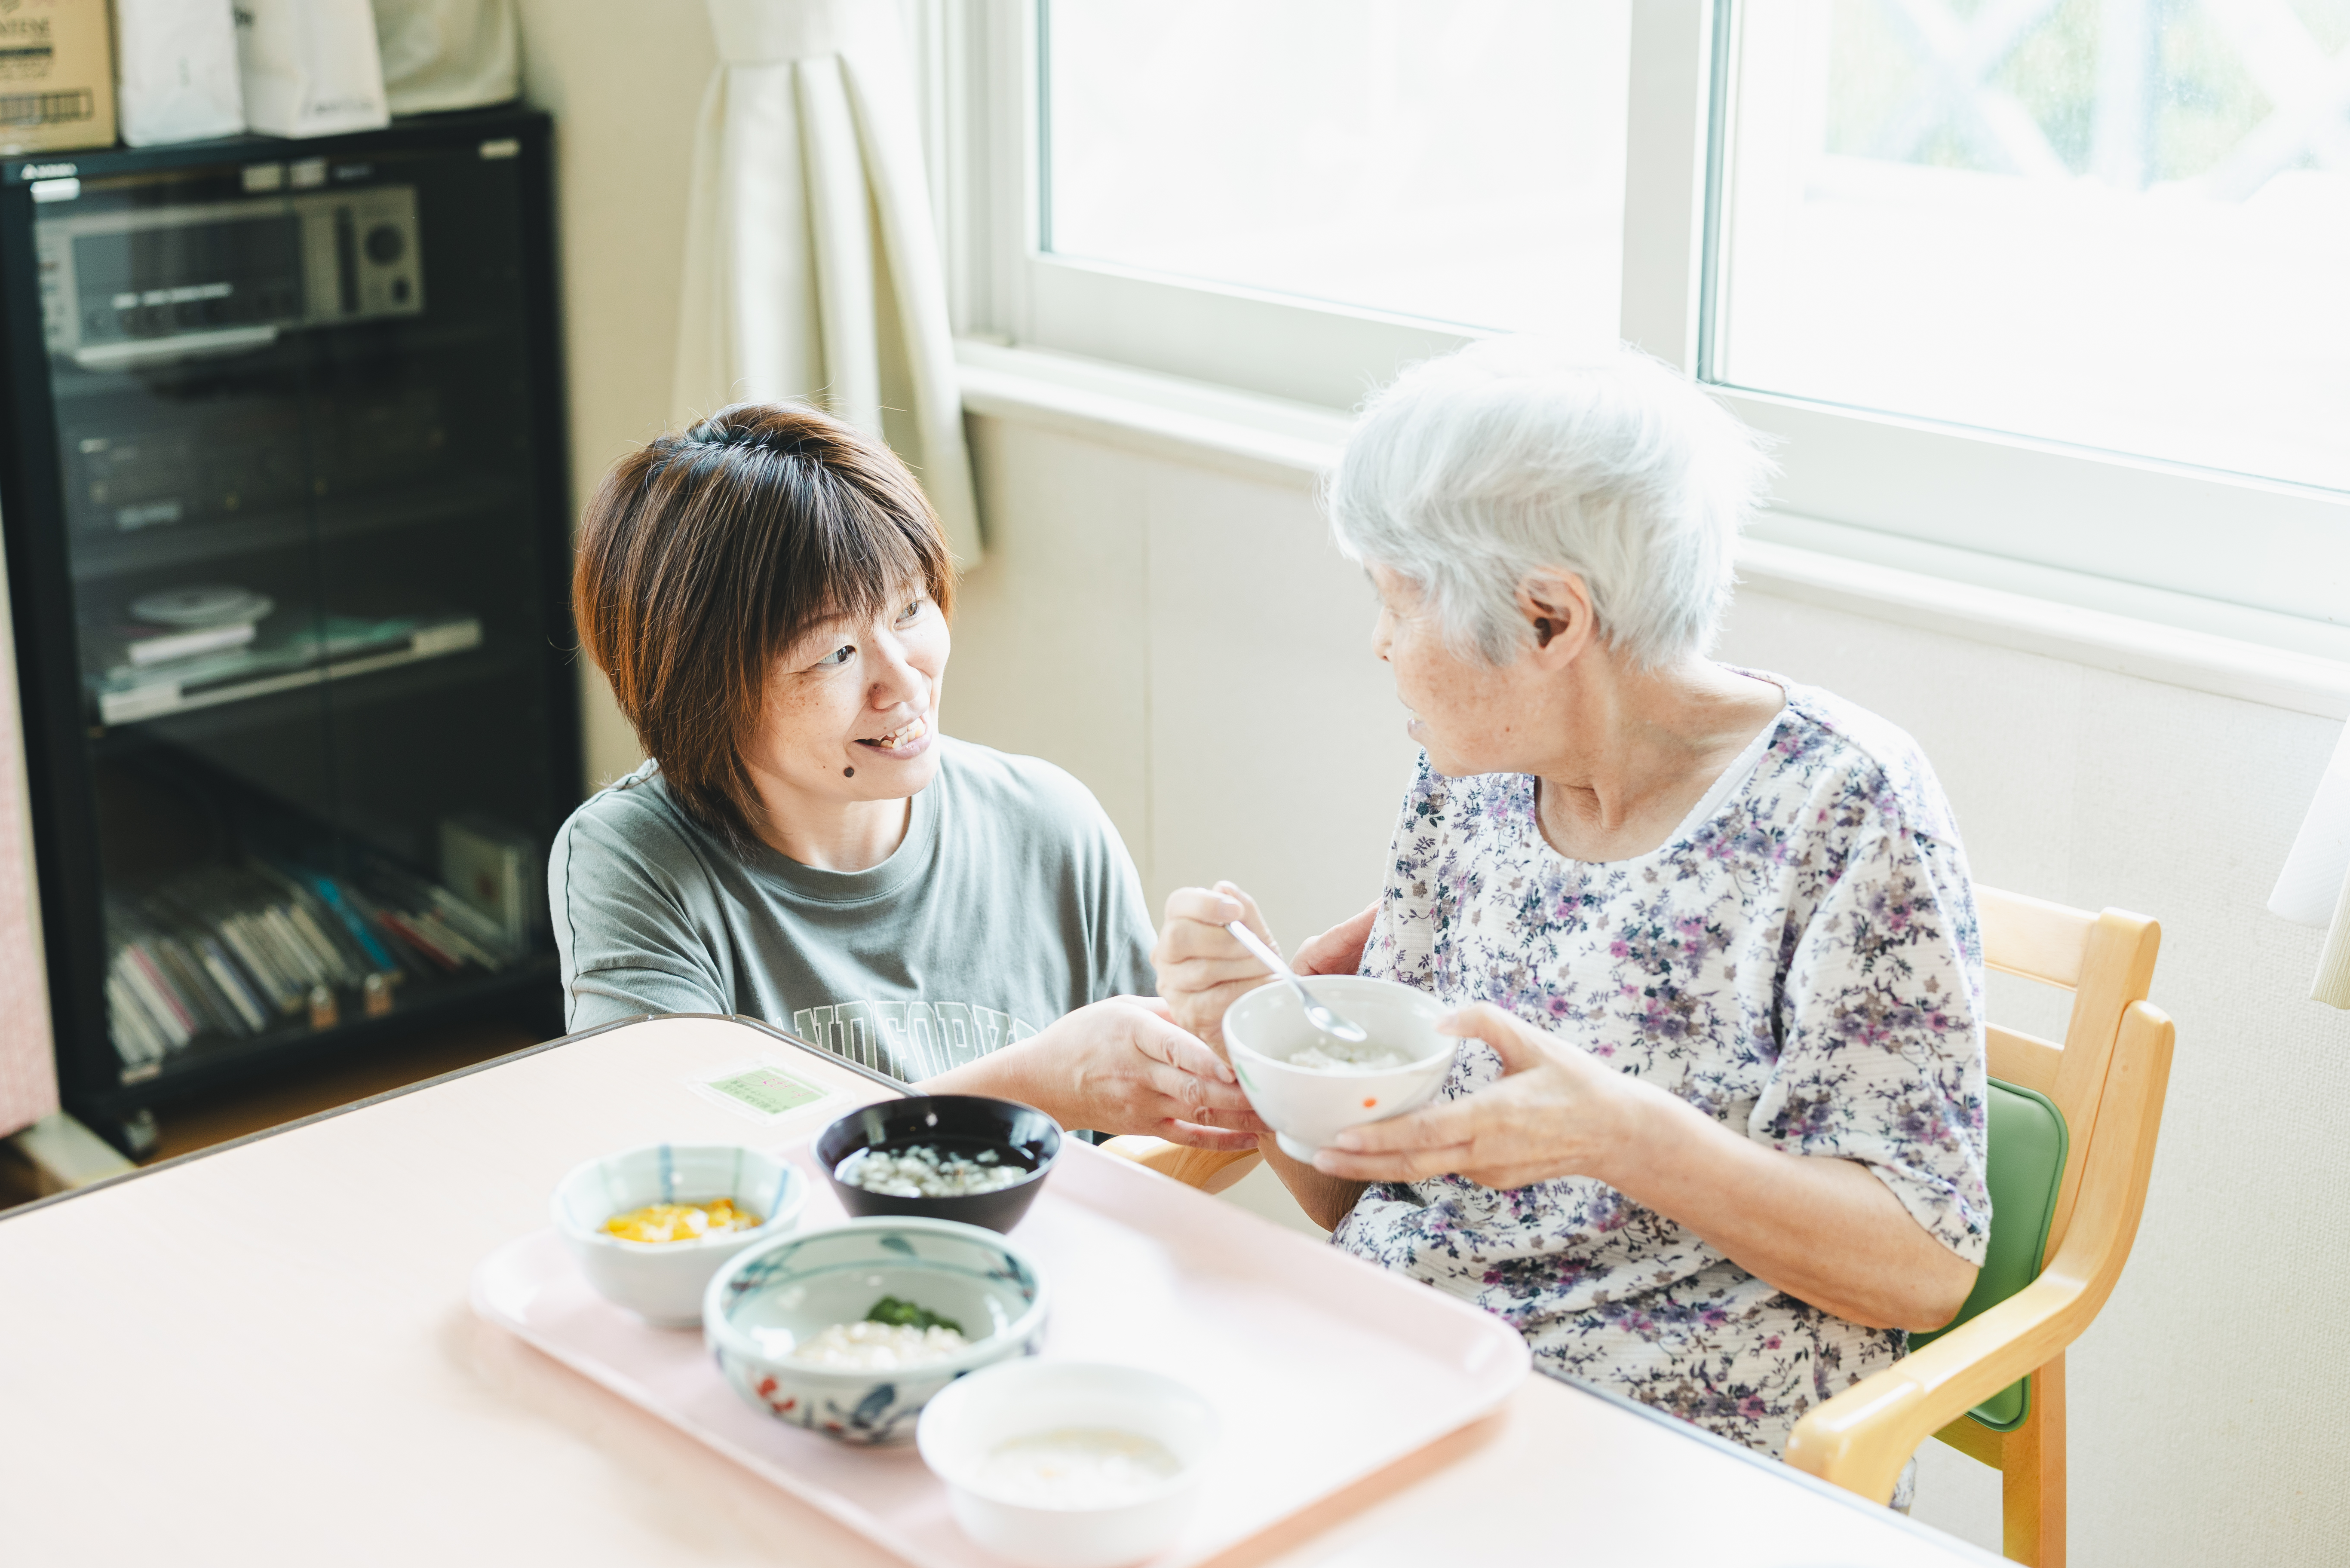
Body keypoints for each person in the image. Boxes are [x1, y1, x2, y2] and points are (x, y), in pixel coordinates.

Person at [1154, 339, 1988, 1492]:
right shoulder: (1472, 779)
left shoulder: (1846, 810)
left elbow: (1922, 1267)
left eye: (1396, 599)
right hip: (1409, 1383)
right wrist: (1265, 1049)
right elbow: (1369, 1203)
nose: (1380, 642)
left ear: (1550, 619)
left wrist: (1624, 1136)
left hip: (1668, 1456)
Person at [553, 401, 1256, 1149]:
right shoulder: (634, 860)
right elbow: (679, 1167)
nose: (904, 681)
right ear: (702, 691)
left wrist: (1243, 1040)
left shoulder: (1050, 823)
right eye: (833, 654)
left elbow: (1183, 1137)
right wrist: (1030, 1088)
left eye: (911, 608)